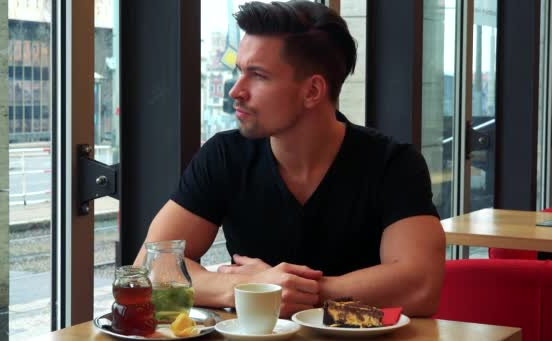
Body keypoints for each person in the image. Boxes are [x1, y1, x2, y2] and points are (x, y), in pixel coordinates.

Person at [135, 0, 446, 318]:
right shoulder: (224, 155)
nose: (236, 91)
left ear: (313, 91)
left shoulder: (392, 163)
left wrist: (286, 290)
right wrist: (245, 287)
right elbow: (150, 268)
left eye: (257, 76)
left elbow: (420, 286)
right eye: (239, 71)